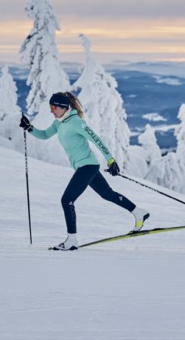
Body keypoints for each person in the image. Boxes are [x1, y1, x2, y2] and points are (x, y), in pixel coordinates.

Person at [19, 92, 150, 251]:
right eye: (50, 107)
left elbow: (96, 139)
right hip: (86, 166)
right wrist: (29, 127)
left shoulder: (76, 122)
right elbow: (45, 135)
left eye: (54, 107)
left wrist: (110, 160)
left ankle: (72, 240)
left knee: (66, 200)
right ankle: (139, 212)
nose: (51, 110)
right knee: (107, 194)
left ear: (64, 107)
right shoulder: (59, 123)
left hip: (87, 166)